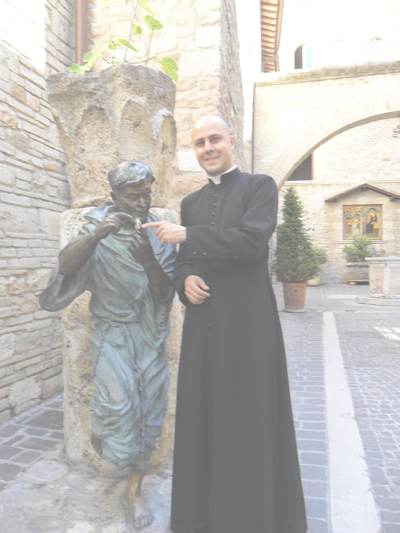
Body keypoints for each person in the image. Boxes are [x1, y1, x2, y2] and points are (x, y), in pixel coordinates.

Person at [143, 116, 308, 533]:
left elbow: (251, 243)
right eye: (199, 143)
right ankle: (200, 516)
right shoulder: (191, 204)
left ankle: (251, 518)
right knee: (203, 413)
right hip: (204, 326)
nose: (208, 148)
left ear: (231, 141)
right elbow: (183, 263)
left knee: (248, 415)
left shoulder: (259, 187)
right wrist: (185, 280)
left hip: (248, 324)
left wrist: (187, 236)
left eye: (214, 139)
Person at [39, 161, 176, 529]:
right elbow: (65, 267)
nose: (142, 204)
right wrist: (97, 235)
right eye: (132, 197)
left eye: (147, 194)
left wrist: (148, 261)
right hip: (111, 334)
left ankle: (134, 489)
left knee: (149, 411)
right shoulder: (97, 228)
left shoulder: (158, 234)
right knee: (118, 403)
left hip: (148, 336)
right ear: (115, 197)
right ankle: (108, 430)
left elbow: (164, 295)